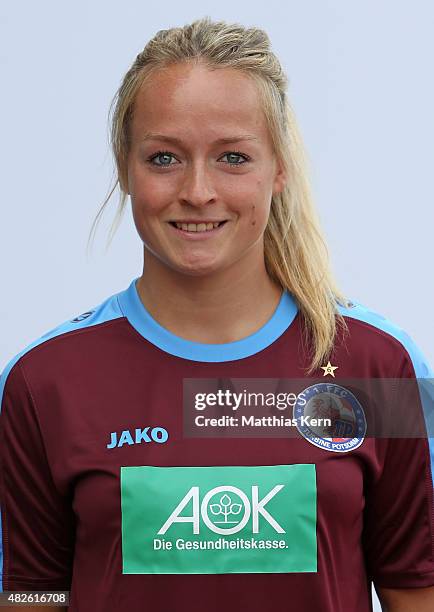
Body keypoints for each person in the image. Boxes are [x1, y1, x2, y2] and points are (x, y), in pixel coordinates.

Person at [1, 16, 433, 612]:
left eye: (232, 156)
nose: (198, 190)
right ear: (125, 166)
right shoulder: (43, 382)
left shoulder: (379, 367)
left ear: (278, 168)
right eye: (164, 158)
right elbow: (31, 596)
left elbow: (416, 592)